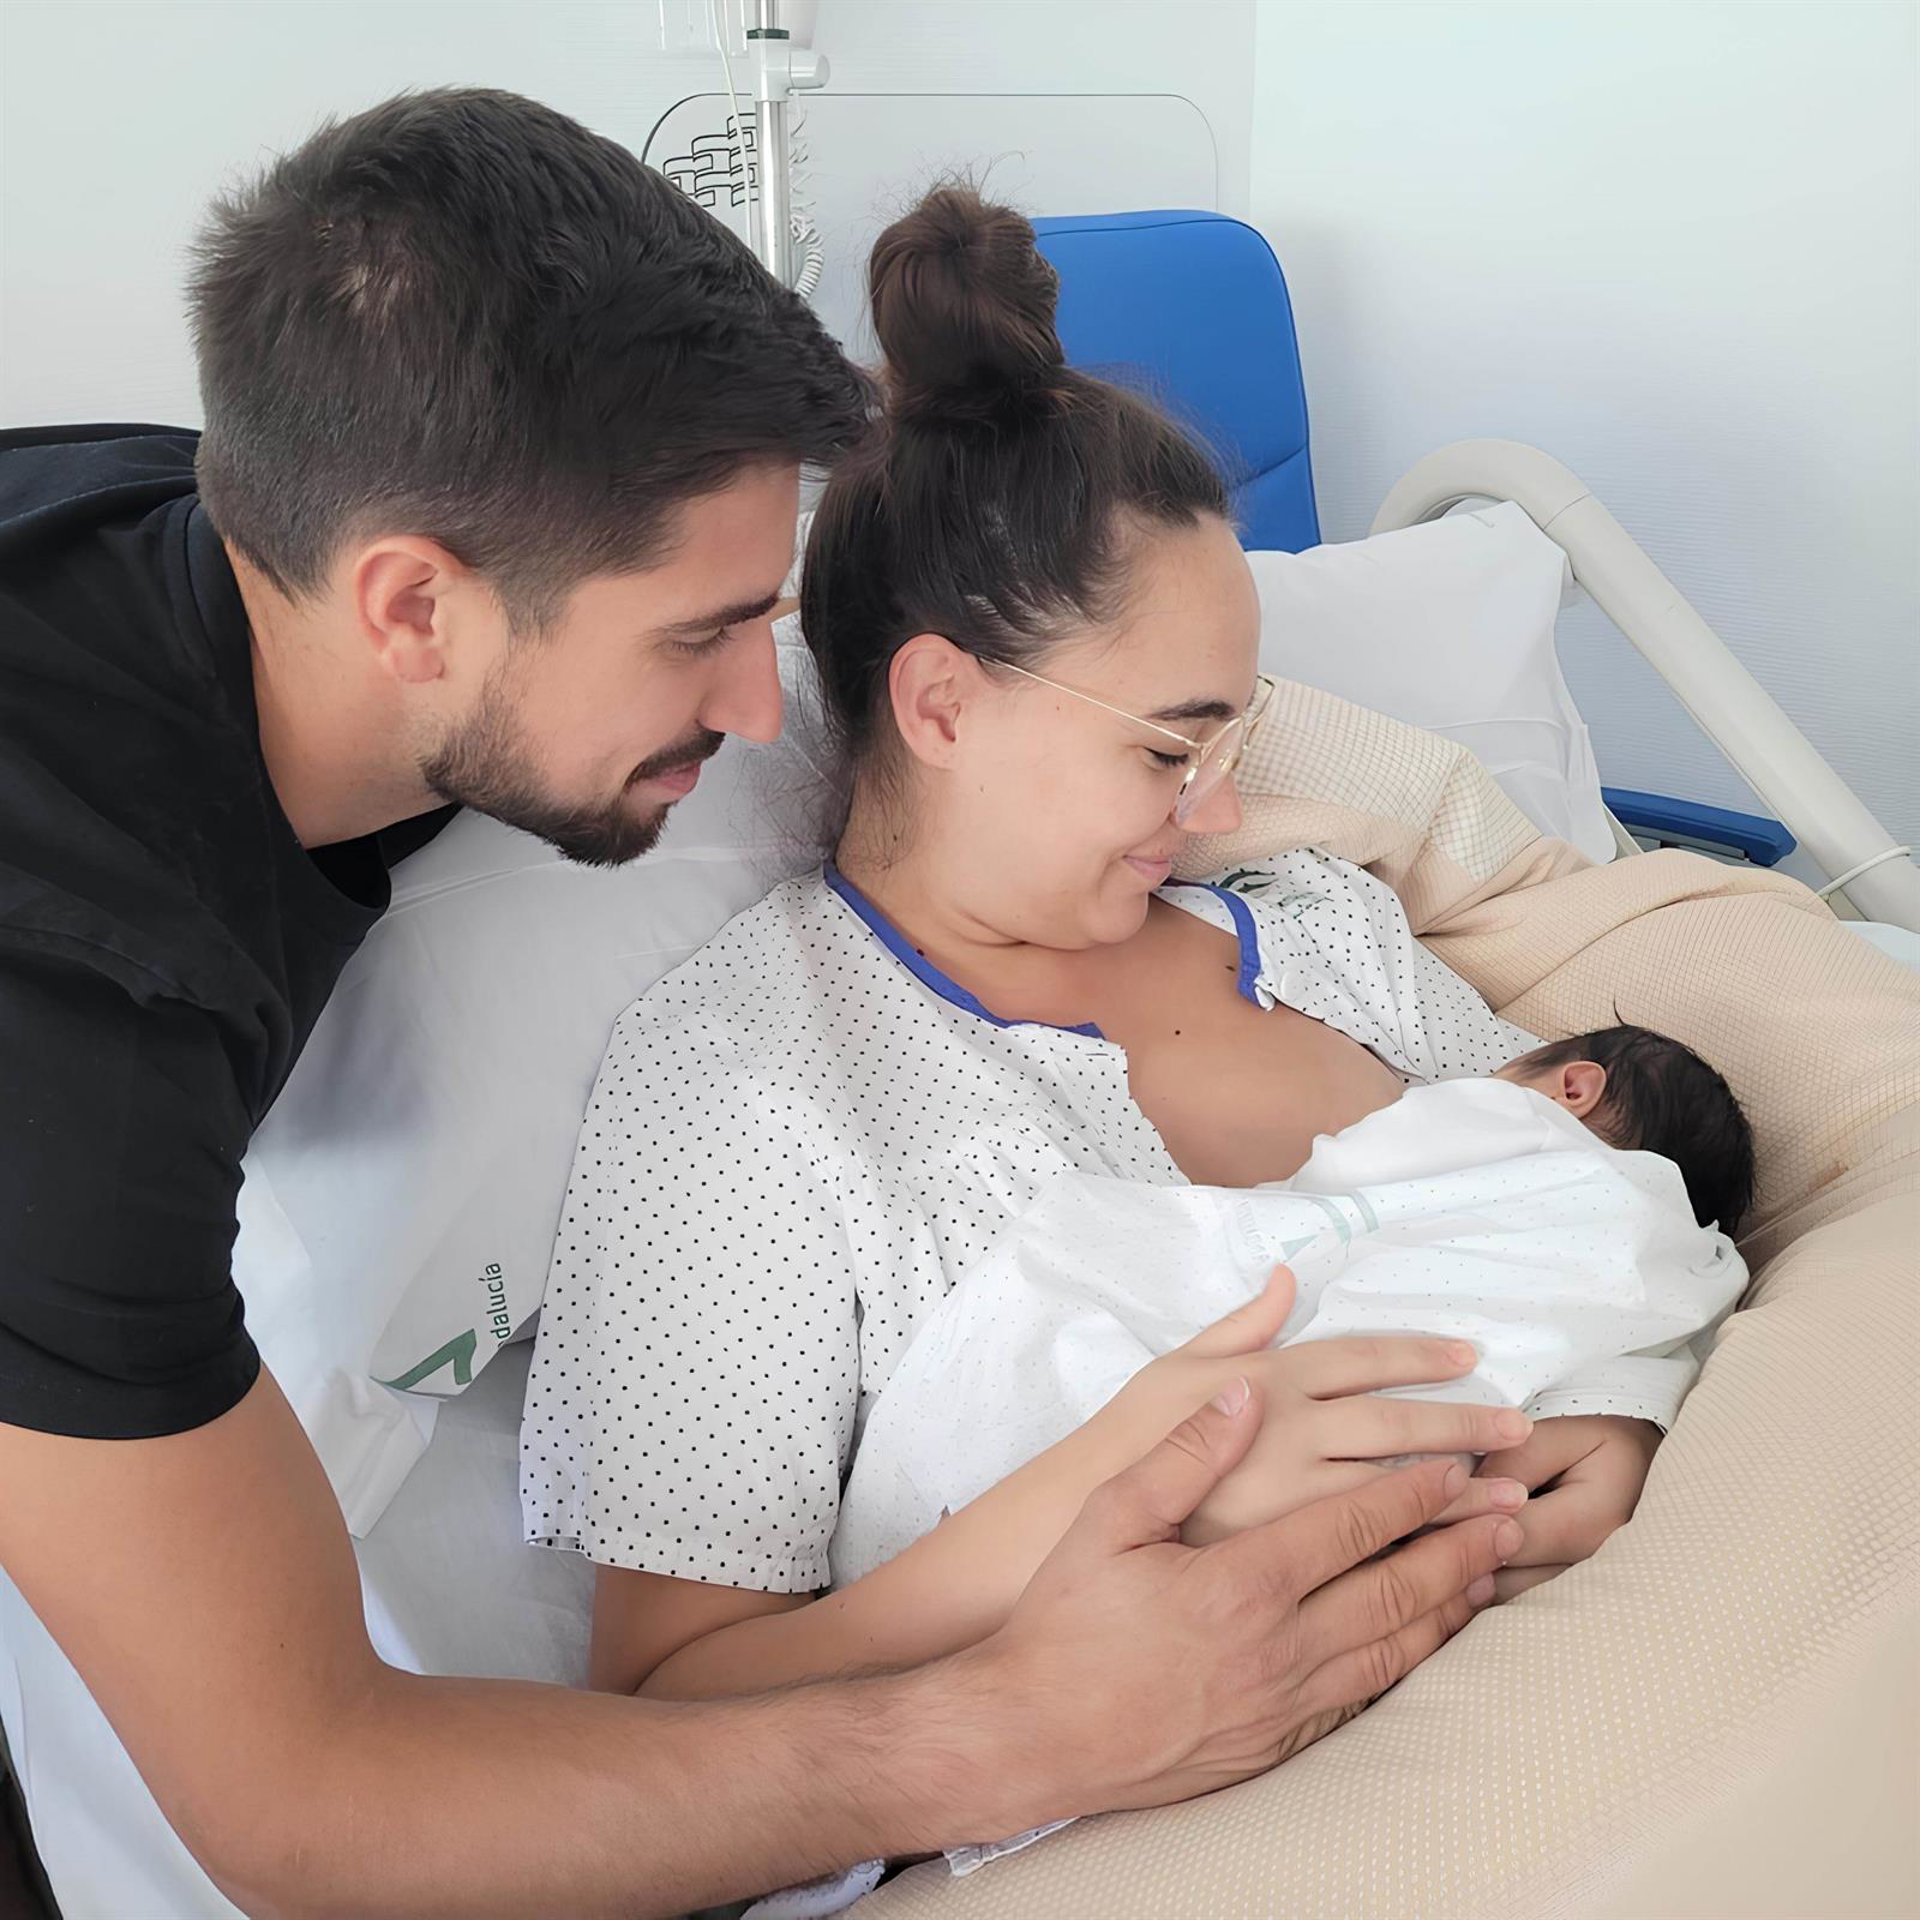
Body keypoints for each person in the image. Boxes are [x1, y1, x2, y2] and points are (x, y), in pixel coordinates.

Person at [0, 95, 1520, 1919]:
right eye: (697, 637)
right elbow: (305, 1811)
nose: (757, 718)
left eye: (768, 619)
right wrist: (1026, 1731)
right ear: (412, 609)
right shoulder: (76, 1034)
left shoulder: (202, 518)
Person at [520, 186, 1658, 1722]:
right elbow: (670, 1707)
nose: (1225, 808)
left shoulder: (1324, 931)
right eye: (1170, 751)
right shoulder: (746, 1098)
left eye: (1235, 739)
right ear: (941, 707)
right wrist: (1128, 1489)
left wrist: (1613, 1414)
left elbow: (1589, 1214)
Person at [828, 1025, 1756, 1593]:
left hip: (1312, 1419)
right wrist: (1625, 1401)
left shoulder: (1507, 1116)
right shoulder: (1694, 1257)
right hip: (1433, 1457)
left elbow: (1357, 1171)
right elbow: (1650, 1330)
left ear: (1573, 1087)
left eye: (1499, 1069)